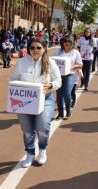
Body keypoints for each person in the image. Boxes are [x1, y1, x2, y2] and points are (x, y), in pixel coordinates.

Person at [9, 38, 61, 167]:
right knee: (27, 130)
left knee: (43, 127)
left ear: (44, 48)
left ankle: (42, 150)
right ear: (28, 49)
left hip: (45, 99)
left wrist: (50, 85)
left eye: (38, 47)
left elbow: (58, 81)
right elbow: (12, 80)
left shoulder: (50, 63)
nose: (35, 50)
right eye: (32, 48)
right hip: (24, 101)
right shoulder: (21, 63)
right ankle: (30, 153)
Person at [53, 35, 83, 120]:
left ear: (72, 43)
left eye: (69, 42)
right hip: (58, 76)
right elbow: (53, 62)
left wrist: (71, 67)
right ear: (62, 42)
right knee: (59, 95)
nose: (66, 44)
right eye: (65, 42)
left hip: (70, 75)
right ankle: (60, 113)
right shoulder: (58, 51)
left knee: (66, 93)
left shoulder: (75, 52)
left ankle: (68, 111)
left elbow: (80, 65)